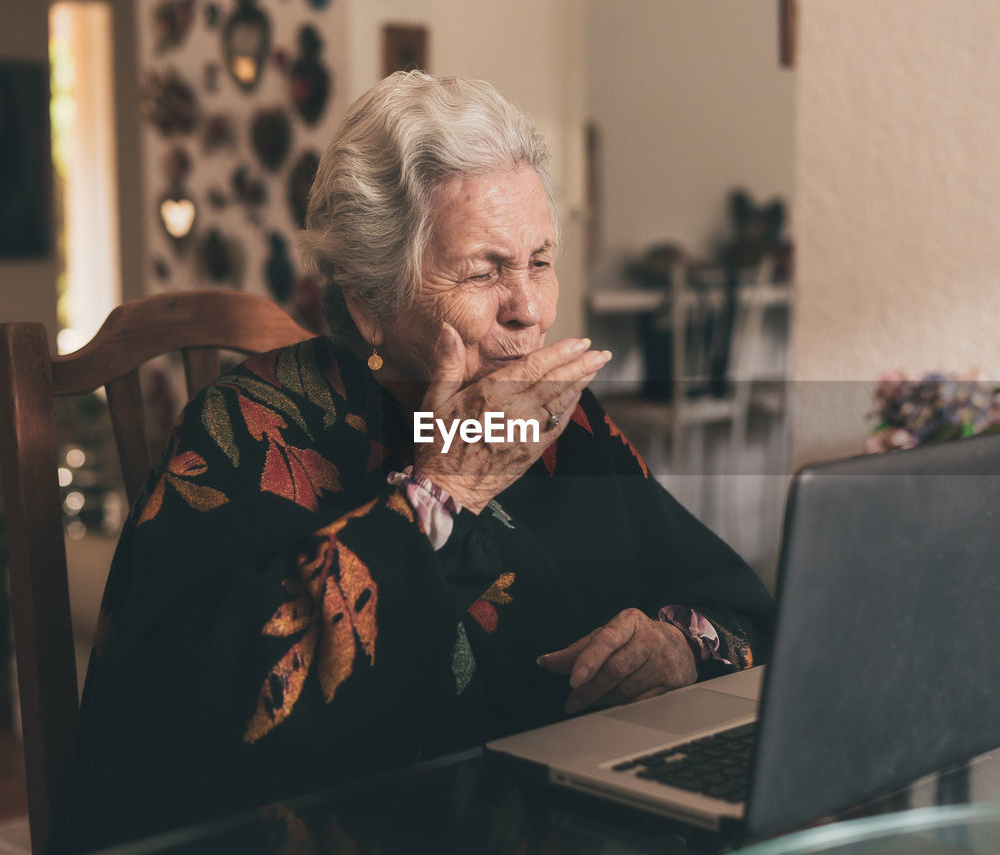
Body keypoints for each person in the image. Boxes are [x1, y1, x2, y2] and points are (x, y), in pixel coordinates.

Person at [59, 71, 773, 851]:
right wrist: (441, 492)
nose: (529, 307)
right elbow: (190, 730)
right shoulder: (250, 430)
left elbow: (736, 609)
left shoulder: (560, 422)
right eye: (484, 269)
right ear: (370, 299)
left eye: (539, 260)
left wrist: (674, 647)